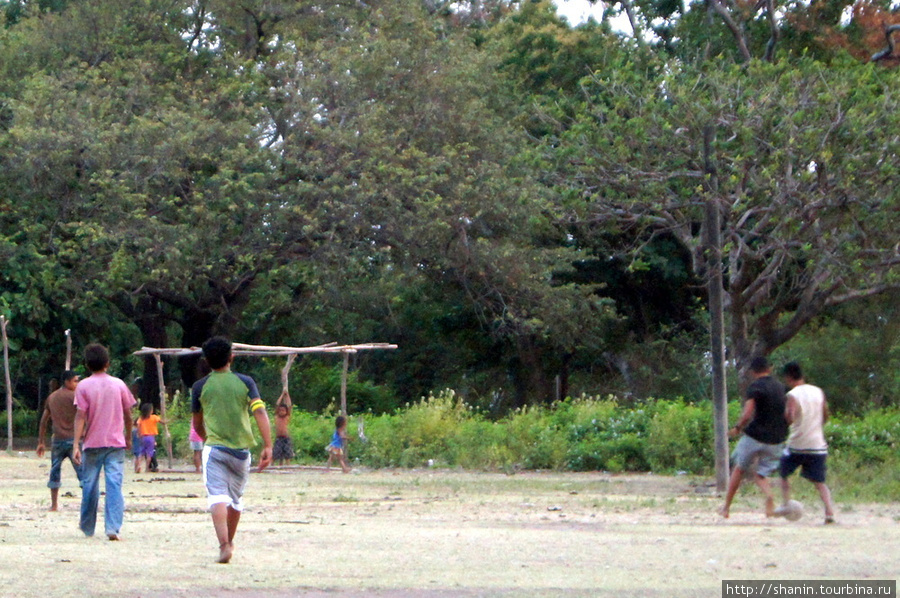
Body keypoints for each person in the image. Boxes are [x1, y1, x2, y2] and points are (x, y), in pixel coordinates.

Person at [191, 336, 273, 564]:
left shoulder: (199, 387)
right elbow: (259, 412)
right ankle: (231, 540)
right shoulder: (246, 382)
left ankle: (224, 545)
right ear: (232, 357)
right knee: (235, 500)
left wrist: (209, 439)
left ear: (206, 361)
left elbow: (197, 424)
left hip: (215, 449)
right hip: (241, 452)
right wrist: (268, 445)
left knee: (217, 496)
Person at [72, 343, 136, 540]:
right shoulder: (119, 384)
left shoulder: (83, 386)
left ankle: (87, 526)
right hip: (115, 443)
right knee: (114, 484)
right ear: (107, 363)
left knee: (89, 484)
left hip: (92, 444)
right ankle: (112, 527)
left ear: (87, 365)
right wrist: (128, 436)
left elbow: (80, 416)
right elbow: (128, 413)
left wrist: (76, 444)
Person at [720, 356, 789, 519]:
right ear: (769, 369)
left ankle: (726, 508)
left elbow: (747, 413)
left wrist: (737, 428)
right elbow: (788, 413)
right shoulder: (781, 387)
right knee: (760, 475)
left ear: (752, 371)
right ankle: (769, 495)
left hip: (755, 435)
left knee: (738, 469)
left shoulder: (755, 387)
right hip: (777, 439)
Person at [776, 361, 837, 524]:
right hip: (817, 444)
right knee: (819, 482)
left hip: (797, 444)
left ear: (788, 377)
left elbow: (789, 416)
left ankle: (786, 504)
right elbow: (825, 414)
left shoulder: (793, 395)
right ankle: (829, 513)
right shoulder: (818, 391)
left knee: (783, 472)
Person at [36, 370, 83, 511]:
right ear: (67, 381)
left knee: (55, 471)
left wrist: (41, 442)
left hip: (57, 440)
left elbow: (44, 421)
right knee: (82, 473)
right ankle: (87, 503)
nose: (77, 383)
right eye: (75, 380)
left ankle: (54, 505)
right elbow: (84, 417)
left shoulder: (52, 397)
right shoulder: (76, 397)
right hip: (74, 441)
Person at [134, 403, 163, 474]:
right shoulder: (153, 417)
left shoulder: (141, 418)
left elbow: (138, 426)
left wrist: (139, 434)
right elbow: (161, 421)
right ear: (150, 411)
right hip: (151, 437)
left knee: (141, 453)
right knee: (149, 453)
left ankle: (138, 466)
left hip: (143, 437)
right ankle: (147, 468)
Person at [272, 390, 294, 466]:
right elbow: (277, 404)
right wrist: (282, 395)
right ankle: (273, 465)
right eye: (280, 410)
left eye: (283, 410)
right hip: (278, 437)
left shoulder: (287, 417)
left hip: (286, 437)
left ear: (286, 411)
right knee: (275, 453)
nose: (281, 412)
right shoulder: (277, 417)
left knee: (287, 453)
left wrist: (287, 394)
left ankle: (288, 466)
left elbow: (289, 405)